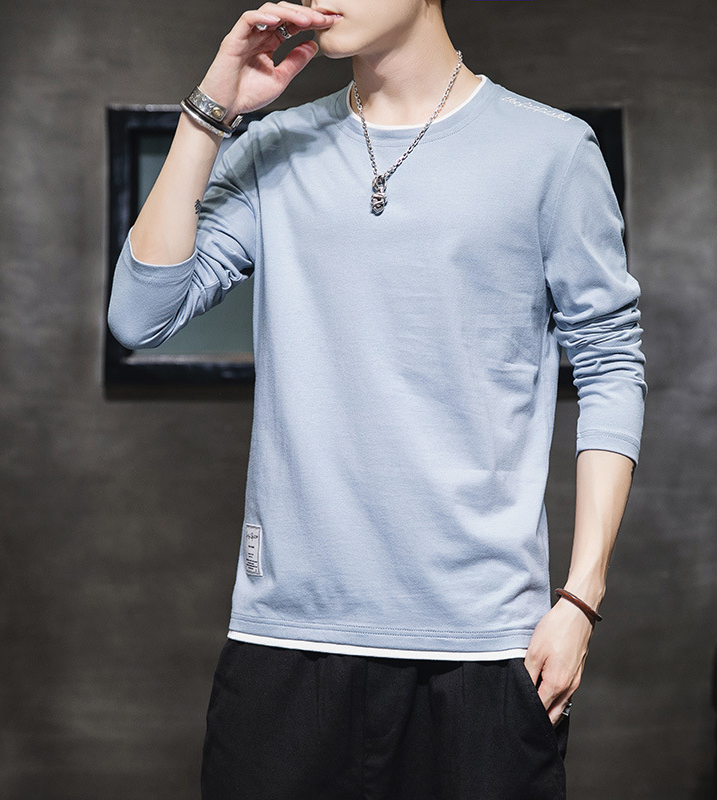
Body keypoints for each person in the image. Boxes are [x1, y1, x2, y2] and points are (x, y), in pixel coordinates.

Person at [108, 0, 647, 797]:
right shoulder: (276, 148)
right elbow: (139, 316)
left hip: (482, 649)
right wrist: (210, 111)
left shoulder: (550, 151)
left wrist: (580, 599)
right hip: (288, 642)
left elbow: (610, 367)